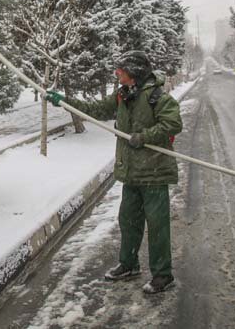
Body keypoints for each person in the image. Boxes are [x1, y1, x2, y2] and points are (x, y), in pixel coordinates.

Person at [46, 51, 183, 294]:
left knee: (157, 226)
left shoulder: (157, 96)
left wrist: (144, 137)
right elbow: (96, 109)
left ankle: (163, 275)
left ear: (134, 72)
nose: (117, 72)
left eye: (121, 69)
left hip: (154, 172)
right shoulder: (122, 95)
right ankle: (129, 265)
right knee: (128, 221)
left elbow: (173, 123)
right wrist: (64, 102)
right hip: (131, 172)